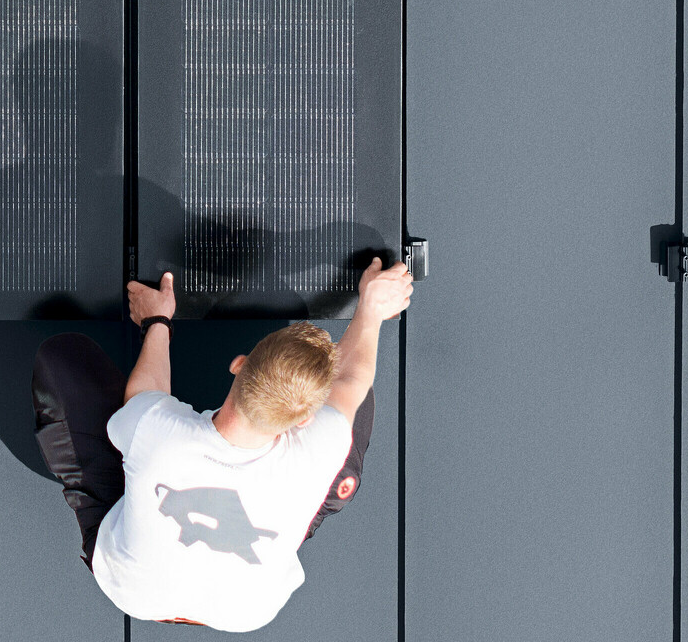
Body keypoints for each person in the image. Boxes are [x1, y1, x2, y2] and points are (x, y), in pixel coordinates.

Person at [31, 259, 417, 631]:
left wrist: (158, 319)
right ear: (305, 419)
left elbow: (148, 391)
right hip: (245, 613)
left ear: (238, 364)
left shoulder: (157, 431)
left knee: (62, 358)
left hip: (132, 588)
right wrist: (371, 308)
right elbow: (352, 377)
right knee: (353, 407)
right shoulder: (319, 446)